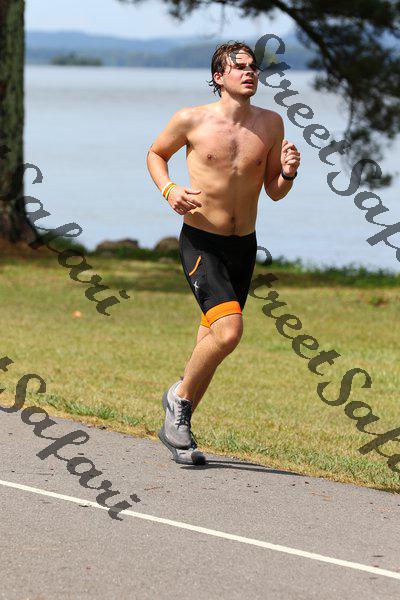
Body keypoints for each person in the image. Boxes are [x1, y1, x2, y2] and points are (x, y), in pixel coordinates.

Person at [146, 40, 301, 465]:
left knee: (211, 343)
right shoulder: (191, 119)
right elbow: (156, 154)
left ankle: (180, 433)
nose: (250, 72)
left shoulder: (271, 123)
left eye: (254, 67)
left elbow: (274, 191)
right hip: (202, 242)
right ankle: (178, 400)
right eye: (240, 67)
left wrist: (288, 173)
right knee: (229, 333)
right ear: (219, 76)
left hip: (243, 247)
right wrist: (169, 189)